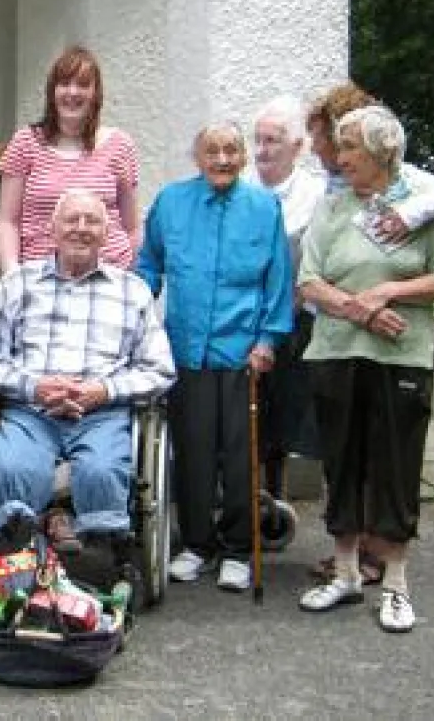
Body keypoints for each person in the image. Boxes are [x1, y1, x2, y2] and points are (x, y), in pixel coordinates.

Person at [296, 105, 434, 633]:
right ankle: (345, 573)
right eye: (339, 147)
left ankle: (395, 585)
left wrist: (390, 290)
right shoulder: (332, 209)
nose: (339, 158)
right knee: (341, 463)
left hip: (402, 357)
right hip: (336, 352)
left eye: (350, 149)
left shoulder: (421, 210)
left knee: (395, 466)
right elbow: (309, 282)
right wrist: (360, 309)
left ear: (382, 153)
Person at [0, 190, 175, 554]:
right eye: (72, 220)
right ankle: (13, 552)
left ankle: (100, 553)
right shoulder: (18, 283)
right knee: (15, 467)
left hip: (102, 415)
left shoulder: (132, 291)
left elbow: (160, 370)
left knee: (101, 471)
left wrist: (104, 390)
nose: (81, 229)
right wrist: (36, 387)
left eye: (92, 221)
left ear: (107, 232)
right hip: (31, 412)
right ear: (52, 230)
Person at [136, 120, 293, 593]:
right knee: (193, 451)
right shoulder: (171, 203)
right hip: (186, 350)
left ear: (242, 157)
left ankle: (239, 547)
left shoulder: (264, 209)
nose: (222, 159)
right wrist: (135, 315)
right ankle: (197, 544)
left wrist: (268, 340)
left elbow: (278, 282)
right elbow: (149, 265)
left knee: (241, 457)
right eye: (212, 152)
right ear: (197, 158)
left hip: (244, 351)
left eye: (231, 150)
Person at [0, 45, 140, 272]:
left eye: (83, 85)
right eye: (64, 84)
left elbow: (132, 227)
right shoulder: (25, 143)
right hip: (39, 281)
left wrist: (126, 279)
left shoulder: (120, 145)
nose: (72, 92)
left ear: (95, 94)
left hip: (106, 280)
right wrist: (12, 274)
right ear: (52, 92)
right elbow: (8, 222)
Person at [245, 96, 328, 483]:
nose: (260, 150)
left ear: (298, 147)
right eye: (257, 140)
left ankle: (273, 496)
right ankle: (244, 499)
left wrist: (285, 308)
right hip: (243, 318)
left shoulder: (317, 195)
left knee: (282, 413)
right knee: (245, 415)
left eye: (272, 141)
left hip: (295, 318)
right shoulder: (240, 191)